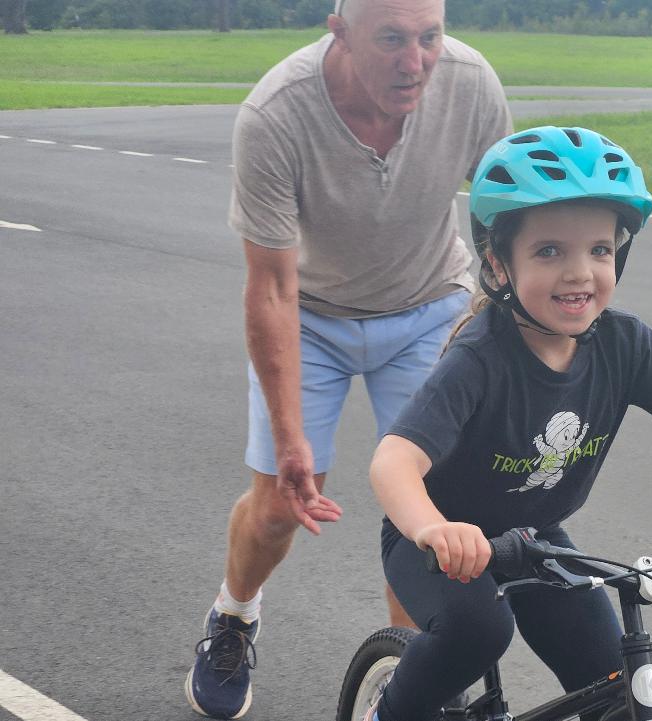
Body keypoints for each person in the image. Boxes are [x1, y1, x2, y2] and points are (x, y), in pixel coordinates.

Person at [364, 126, 652, 721]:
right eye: (549, 251)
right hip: (437, 543)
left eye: (599, 250)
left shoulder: (623, 345)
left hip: (534, 538)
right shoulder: (480, 359)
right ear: (499, 266)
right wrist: (433, 529)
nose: (580, 272)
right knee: (479, 631)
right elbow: (395, 460)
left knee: (615, 682)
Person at [184, 0, 512, 717]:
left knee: (431, 508)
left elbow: (503, 225)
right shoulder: (277, 114)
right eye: (391, 39)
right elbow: (270, 287)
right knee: (276, 506)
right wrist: (291, 430)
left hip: (429, 305)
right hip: (314, 317)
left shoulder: (472, 83)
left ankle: (419, 678)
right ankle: (234, 614)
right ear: (339, 31)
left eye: (430, 37)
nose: (416, 61)